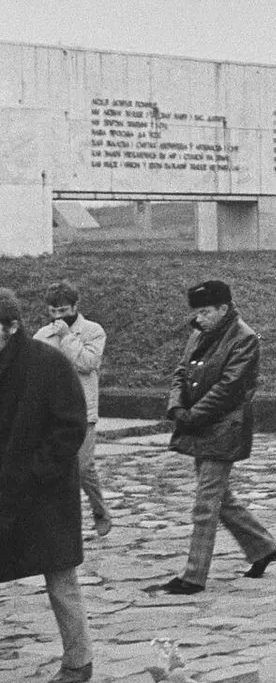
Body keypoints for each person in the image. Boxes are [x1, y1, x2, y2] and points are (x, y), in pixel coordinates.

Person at [145, 280, 276, 596]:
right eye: (197, 312)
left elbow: (228, 388)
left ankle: (194, 576)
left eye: (205, 312)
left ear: (224, 308)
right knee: (222, 499)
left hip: (224, 428)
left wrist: (192, 415)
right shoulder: (200, 333)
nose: (199, 318)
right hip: (201, 425)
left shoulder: (244, 339)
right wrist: (176, 405)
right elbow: (181, 372)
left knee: (206, 503)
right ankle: (264, 547)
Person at [0, 287, 94, 683]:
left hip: (45, 492)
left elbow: (70, 426)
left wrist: (36, 470)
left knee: (60, 578)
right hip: (5, 491)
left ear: (11, 327)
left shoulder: (47, 363)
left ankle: (78, 662)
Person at [35, 282, 111, 538]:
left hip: (83, 410)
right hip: (53, 412)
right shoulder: (42, 335)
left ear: (75, 306)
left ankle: (96, 510)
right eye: (53, 311)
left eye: (64, 310)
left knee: (82, 466)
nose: (58, 316)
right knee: (60, 467)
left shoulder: (93, 331)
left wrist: (67, 336)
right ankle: (65, 519)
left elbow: (88, 363)